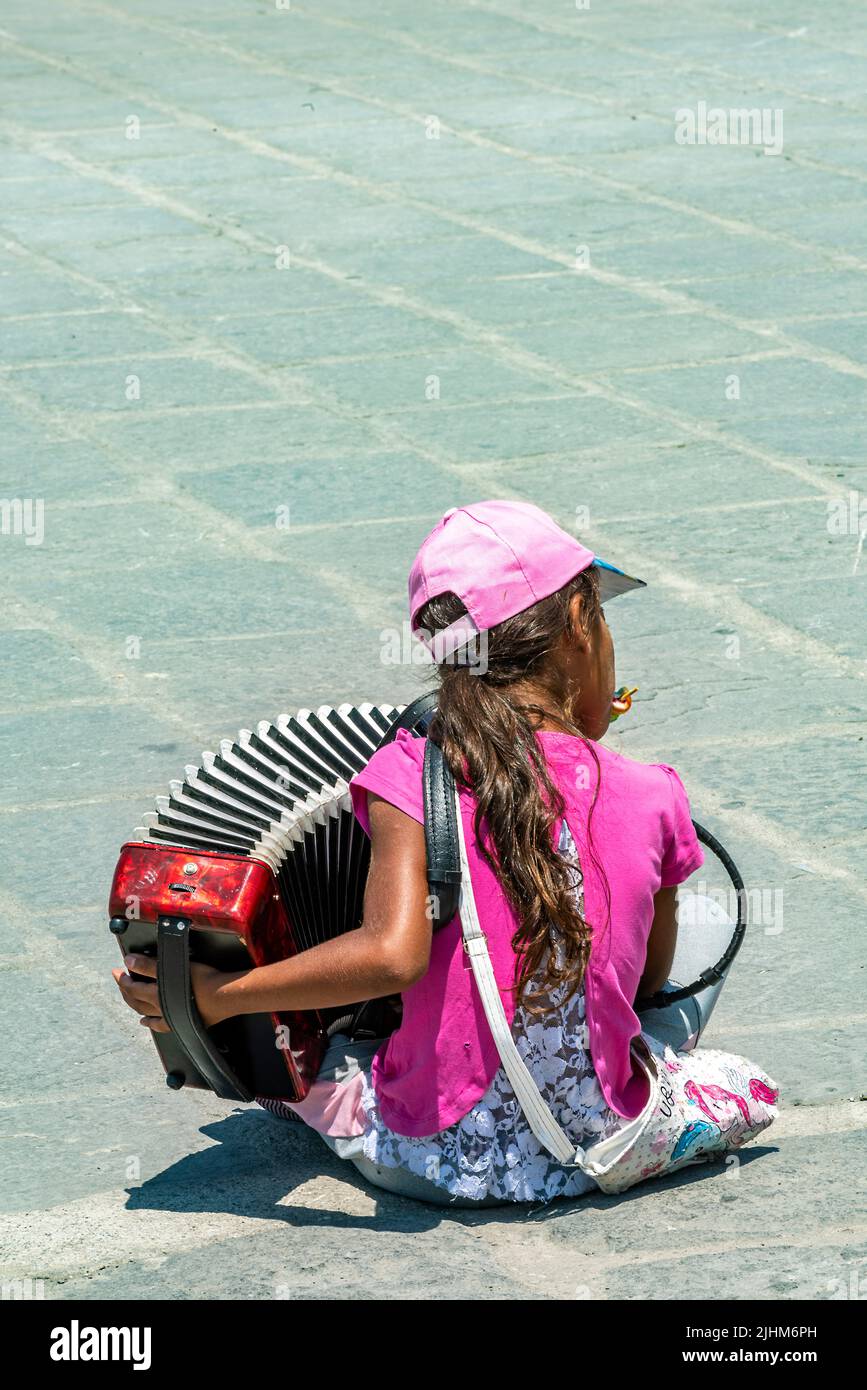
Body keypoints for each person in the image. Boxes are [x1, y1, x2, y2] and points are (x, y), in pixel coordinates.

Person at [114, 500, 779, 1208]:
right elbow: (645, 980)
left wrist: (214, 997)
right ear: (582, 626)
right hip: (599, 1146)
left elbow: (392, 954)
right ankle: (609, 1069)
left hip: (422, 1162)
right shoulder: (652, 792)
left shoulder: (408, 773)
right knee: (704, 929)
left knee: (323, 1064)